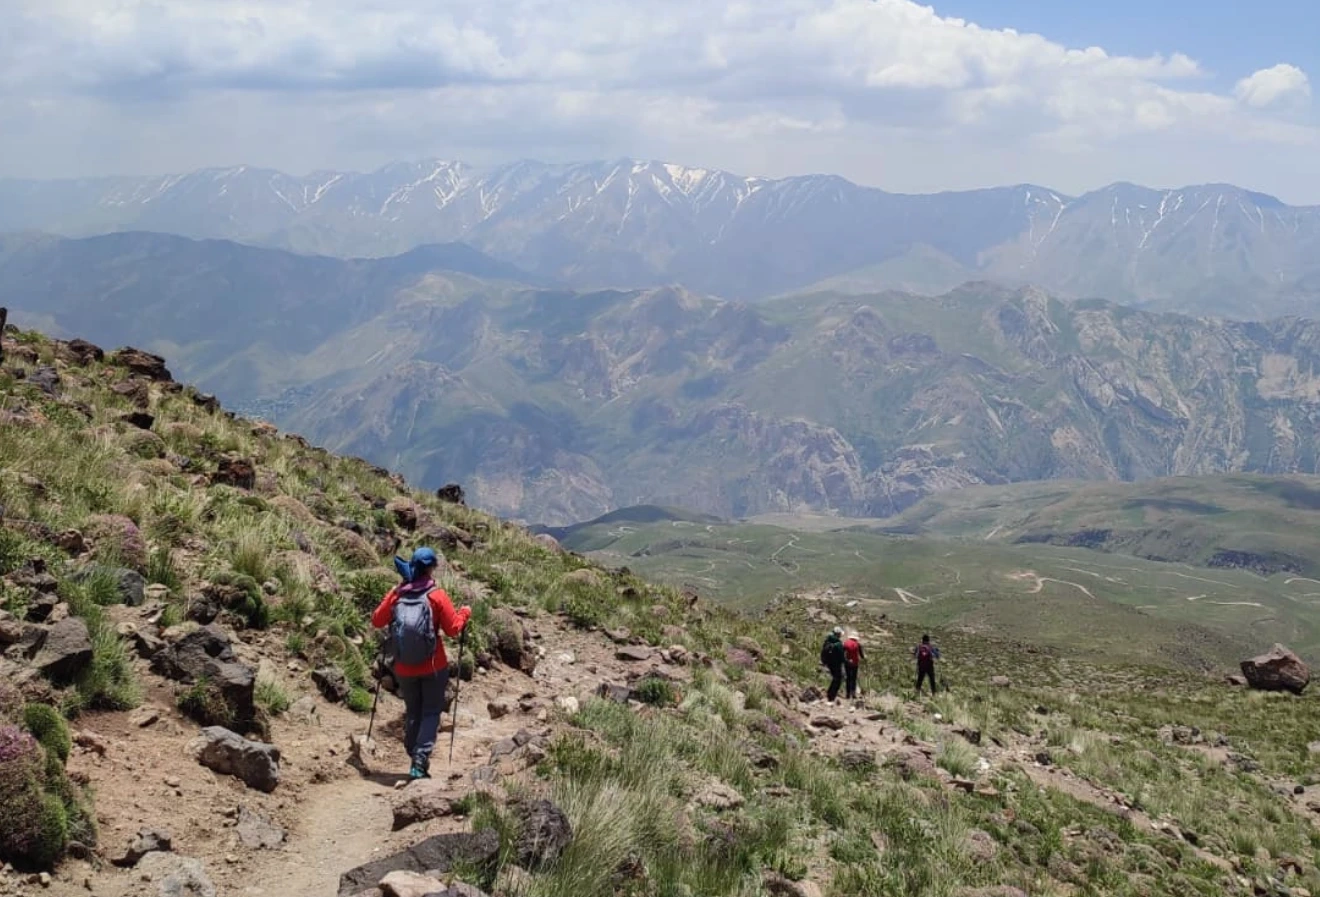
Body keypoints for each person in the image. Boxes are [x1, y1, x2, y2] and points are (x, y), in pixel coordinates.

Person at [371, 547, 471, 780]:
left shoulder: (398, 593)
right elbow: (453, 629)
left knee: (413, 710)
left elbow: (377, 620)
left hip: (404, 666)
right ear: (431, 568)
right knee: (431, 712)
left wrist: (393, 593)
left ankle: (413, 752)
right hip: (434, 665)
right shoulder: (436, 595)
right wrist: (465, 612)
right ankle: (420, 759)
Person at [820, 626, 845, 703]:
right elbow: (842, 656)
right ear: (838, 634)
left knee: (835, 678)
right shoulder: (838, 643)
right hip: (836, 664)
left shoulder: (827, 640)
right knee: (838, 679)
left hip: (828, 662)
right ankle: (831, 696)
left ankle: (829, 694)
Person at [842, 630, 865, 700]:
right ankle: (853, 694)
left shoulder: (845, 643)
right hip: (855, 663)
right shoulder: (858, 644)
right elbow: (861, 655)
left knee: (848, 678)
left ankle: (847, 694)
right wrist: (864, 657)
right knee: (854, 678)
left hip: (847, 663)